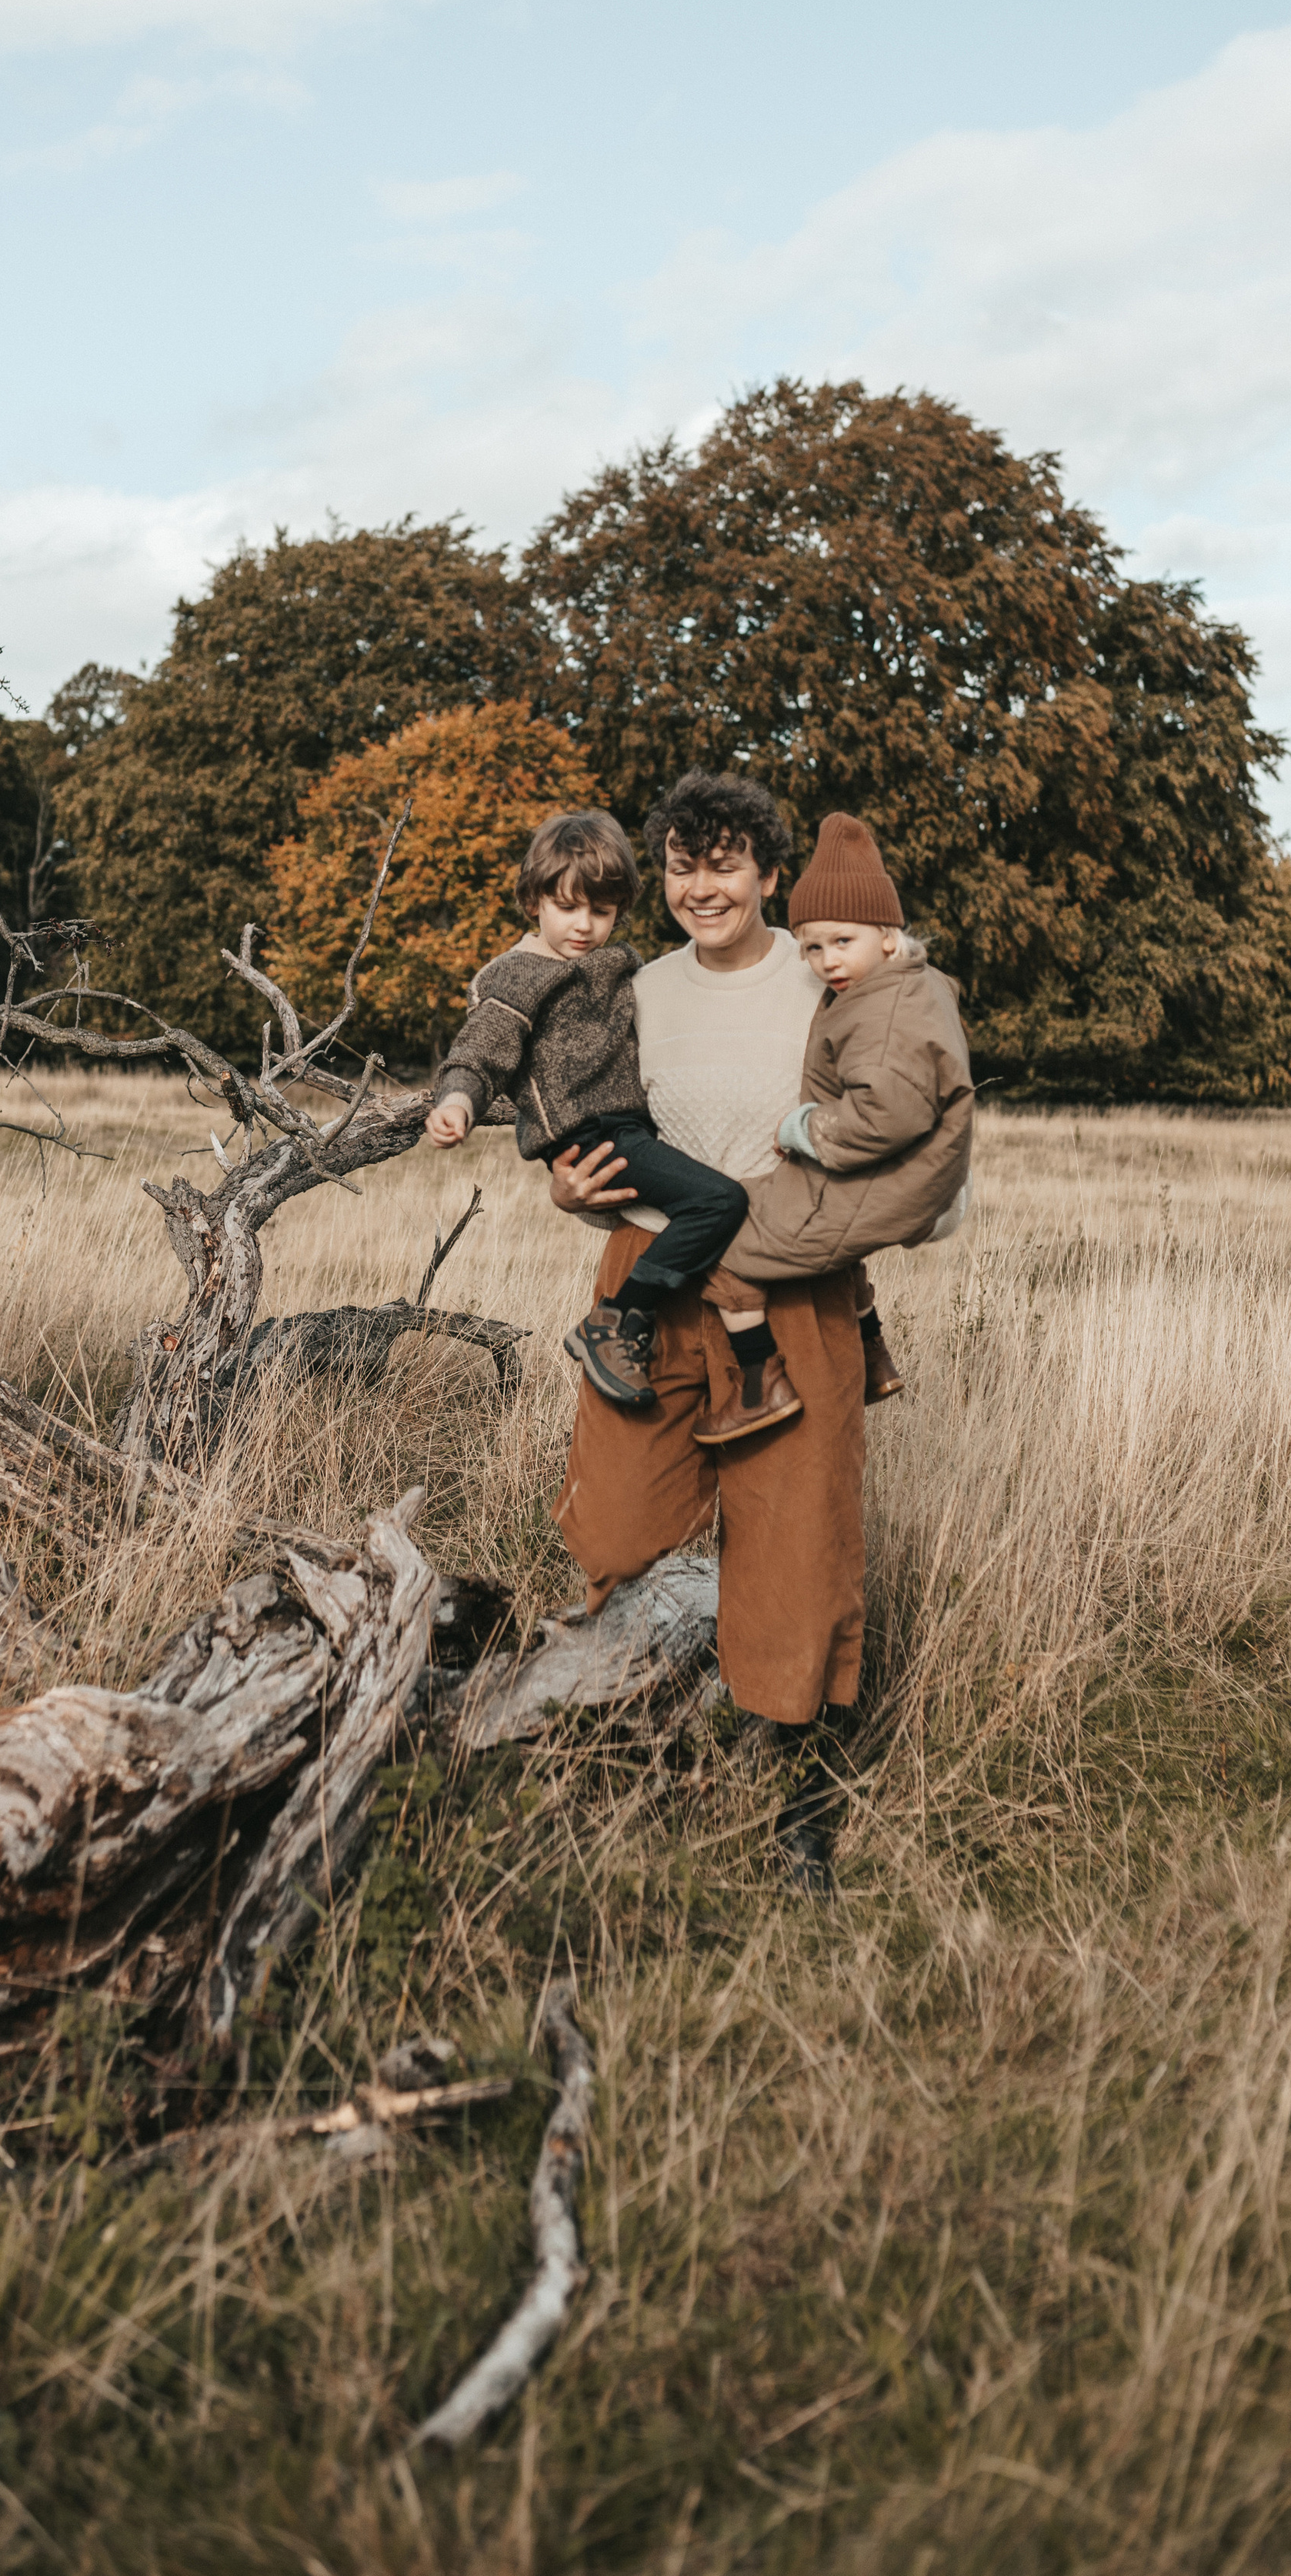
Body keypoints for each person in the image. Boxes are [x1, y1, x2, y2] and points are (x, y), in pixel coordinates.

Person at [546, 769, 869, 1890]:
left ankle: (799, 1805)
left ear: (772, 876)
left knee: (796, 1543)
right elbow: (580, 1113)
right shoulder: (631, 987)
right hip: (648, 1279)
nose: (701, 886)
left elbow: (904, 1123)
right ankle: (616, 1755)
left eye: (725, 863)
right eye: (682, 865)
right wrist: (568, 1186)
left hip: (787, 1279)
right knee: (617, 1525)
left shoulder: (824, 979)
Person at [423, 809, 752, 1410]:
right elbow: (481, 1048)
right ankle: (618, 1321)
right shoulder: (517, 976)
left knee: (717, 1202)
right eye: (568, 908)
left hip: (630, 1126)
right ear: (534, 900)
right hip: (589, 1136)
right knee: (720, 1201)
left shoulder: (614, 962)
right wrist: (457, 1101)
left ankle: (725, 1356)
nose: (584, 925)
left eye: (600, 912)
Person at [691, 812, 974, 1446]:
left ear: (890, 937)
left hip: (894, 1174)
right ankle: (874, 1353)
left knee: (721, 1239)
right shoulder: (909, 987)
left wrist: (803, 1128)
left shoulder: (885, 1007)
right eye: (812, 947)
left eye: (843, 942)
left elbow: (886, 1115)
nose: (825, 961)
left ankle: (760, 1385)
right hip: (910, 1173)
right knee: (824, 1241)